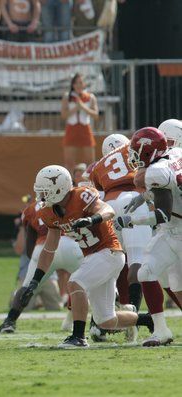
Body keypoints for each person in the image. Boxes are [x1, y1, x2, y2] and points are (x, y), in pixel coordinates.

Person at [21, 165, 153, 348]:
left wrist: (92, 219)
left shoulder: (81, 196)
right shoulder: (49, 213)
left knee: (75, 283)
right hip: (93, 257)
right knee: (106, 320)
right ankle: (148, 320)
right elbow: (49, 250)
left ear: (59, 188)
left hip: (109, 252)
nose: (42, 197)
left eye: (45, 192)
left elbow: (108, 210)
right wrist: (35, 280)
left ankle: (78, 337)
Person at [89, 133, 165, 339]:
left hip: (109, 208)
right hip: (133, 201)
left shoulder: (97, 166)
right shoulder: (135, 151)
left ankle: (97, 325)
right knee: (137, 265)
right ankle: (131, 313)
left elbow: (99, 197)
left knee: (108, 264)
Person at [115, 127, 182, 346]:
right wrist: (145, 197)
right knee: (146, 272)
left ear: (147, 151)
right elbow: (171, 187)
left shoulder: (155, 173)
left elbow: (161, 215)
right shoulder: (174, 154)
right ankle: (161, 331)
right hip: (173, 229)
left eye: (136, 150)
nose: (133, 155)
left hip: (177, 230)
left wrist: (131, 221)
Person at [0, 198, 82, 333]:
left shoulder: (30, 210)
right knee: (87, 284)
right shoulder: (71, 200)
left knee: (26, 287)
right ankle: (92, 322)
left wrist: (38, 265)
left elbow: (30, 245)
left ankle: (10, 321)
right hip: (70, 245)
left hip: (42, 247)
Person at [61, 73, 98, 174]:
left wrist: (82, 107)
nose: (78, 85)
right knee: (69, 162)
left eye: (81, 82)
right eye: (76, 83)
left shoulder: (90, 97)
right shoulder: (67, 97)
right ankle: (70, 184)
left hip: (85, 128)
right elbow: (63, 115)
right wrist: (76, 108)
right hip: (71, 129)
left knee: (90, 161)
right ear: (73, 85)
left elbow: (95, 115)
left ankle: (91, 183)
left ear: (84, 84)